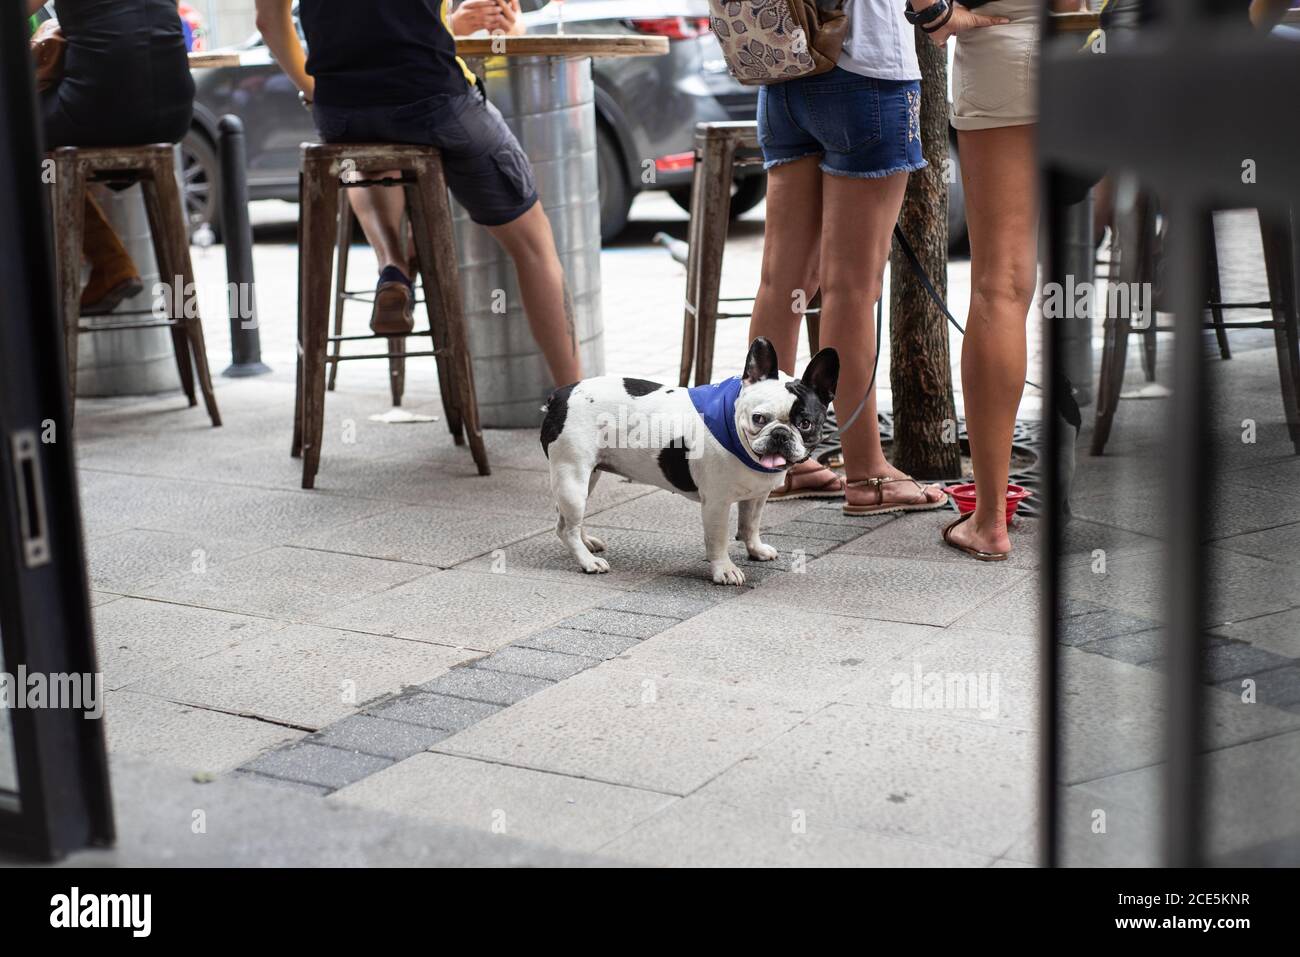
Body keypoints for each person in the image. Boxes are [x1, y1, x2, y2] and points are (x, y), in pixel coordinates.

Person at [747, 0, 1003, 512]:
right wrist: (938, 13)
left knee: (784, 283)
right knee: (852, 288)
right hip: (866, 70)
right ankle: (867, 473)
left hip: (784, 66)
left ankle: (770, 463)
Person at [254, 0, 582, 389]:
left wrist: (314, 92)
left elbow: (269, 22)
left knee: (369, 151)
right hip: (435, 100)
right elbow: (493, 20)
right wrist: (503, 26)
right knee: (534, 245)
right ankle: (575, 401)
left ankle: (394, 265)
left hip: (342, 111)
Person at [916, 0, 1087, 560]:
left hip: (1002, 52)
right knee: (1039, 276)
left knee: (1000, 285)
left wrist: (936, 13)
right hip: (1081, 52)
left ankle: (989, 519)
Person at [30, 0, 196, 315]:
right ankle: (110, 262)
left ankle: (109, 261)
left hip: (103, 109)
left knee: (17, 137)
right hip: (176, 113)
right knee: (45, 150)